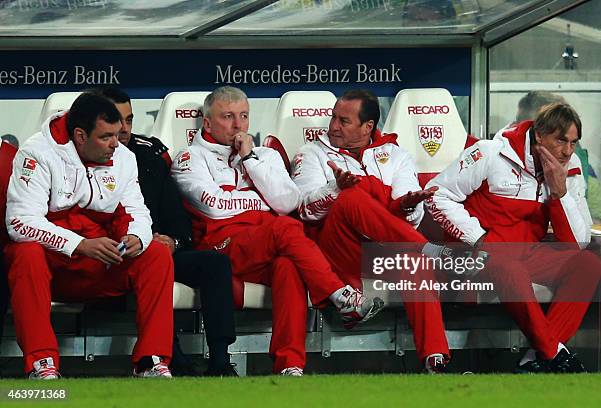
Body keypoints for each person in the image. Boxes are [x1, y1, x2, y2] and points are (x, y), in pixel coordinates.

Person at [171, 86, 383, 376]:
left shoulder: (263, 155)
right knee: (287, 227)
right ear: (207, 123)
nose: (238, 125)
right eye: (228, 116)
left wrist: (249, 160)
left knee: (288, 266)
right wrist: (261, 201)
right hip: (222, 245)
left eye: (244, 116)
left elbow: (287, 202)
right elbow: (215, 207)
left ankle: (290, 364)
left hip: (266, 243)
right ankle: (340, 295)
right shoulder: (188, 158)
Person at [4, 93, 175, 379]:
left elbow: (138, 211)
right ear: (80, 135)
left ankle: (151, 361)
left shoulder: (124, 157)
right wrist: (80, 244)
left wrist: (138, 237)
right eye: (106, 137)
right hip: (54, 266)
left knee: (156, 253)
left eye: (117, 134)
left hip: (102, 263)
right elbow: (19, 222)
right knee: (25, 253)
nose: (115, 144)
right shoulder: (36, 153)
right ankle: (42, 363)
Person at [291, 89, 463, 373]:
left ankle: (435, 360)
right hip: (334, 254)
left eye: (343, 121)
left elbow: (412, 219)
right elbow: (305, 211)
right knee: (351, 197)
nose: (333, 126)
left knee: (416, 263)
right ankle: (426, 248)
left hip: (381, 252)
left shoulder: (396, 156)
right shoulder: (312, 154)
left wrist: (406, 207)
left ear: (367, 126)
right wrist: (336, 189)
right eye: (333, 118)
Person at [426, 103, 601, 373]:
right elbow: (435, 193)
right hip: (479, 256)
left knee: (588, 264)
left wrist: (559, 193)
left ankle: (539, 357)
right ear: (539, 135)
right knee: (511, 268)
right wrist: (478, 238)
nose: (568, 151)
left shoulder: (571, 166)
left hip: (526, 253)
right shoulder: (490, 152)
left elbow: (576, 243)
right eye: (561, 141)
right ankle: (553, 354)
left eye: (573, 142)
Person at [93, 86, 237, 377]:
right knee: (154, 261)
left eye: (129, 120)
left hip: (160, 248)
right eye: (115, 120)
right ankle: (171, 356)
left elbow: (176, 215)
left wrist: (174, 240)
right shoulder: (86, 157)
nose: (123, 129)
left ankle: (220, 359)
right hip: (116, 254)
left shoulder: (149, 155)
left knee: (214, 263)